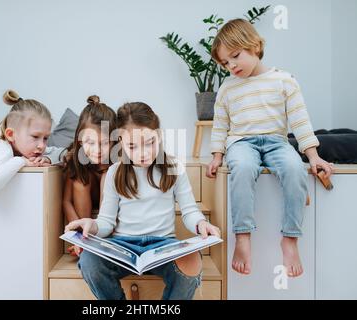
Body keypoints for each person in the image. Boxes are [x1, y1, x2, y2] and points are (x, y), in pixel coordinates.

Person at [206, 19, 334, 277]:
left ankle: (290, 238)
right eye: (225, 63)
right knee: (241, 167)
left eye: (235, 56)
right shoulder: (227, 89)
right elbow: (220, 125)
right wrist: (217, 156)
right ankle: (242, 236)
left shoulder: (284, 81)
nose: (231, 66)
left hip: (277, 142)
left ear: (254, 45)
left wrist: (313, 156)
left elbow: (299, 120)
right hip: (241, 143)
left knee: (294, 168)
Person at [66, 101, 221, 300]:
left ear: (159, 136)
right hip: (122, 246)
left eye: (150, 143)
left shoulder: (173, 168)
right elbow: (106, 223)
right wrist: (91, 225)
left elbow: (190, 211)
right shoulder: (115, 173)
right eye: (132, 146)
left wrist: (201, 224)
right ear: (120, 143)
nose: (143, 153)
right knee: (89, 261)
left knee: (192, 262)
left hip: (163, 246)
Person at [63, 95, 117, 256]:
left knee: (108, 175)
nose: (97, 150)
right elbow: (66, 201)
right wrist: (77, 236)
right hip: (83, 210)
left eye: (105, 143)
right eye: (90, 142)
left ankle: (101, 237)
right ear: (80, 141)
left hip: (108, 215)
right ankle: (86, 239)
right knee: (80, 181)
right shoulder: (75, 158)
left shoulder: (119, 162)